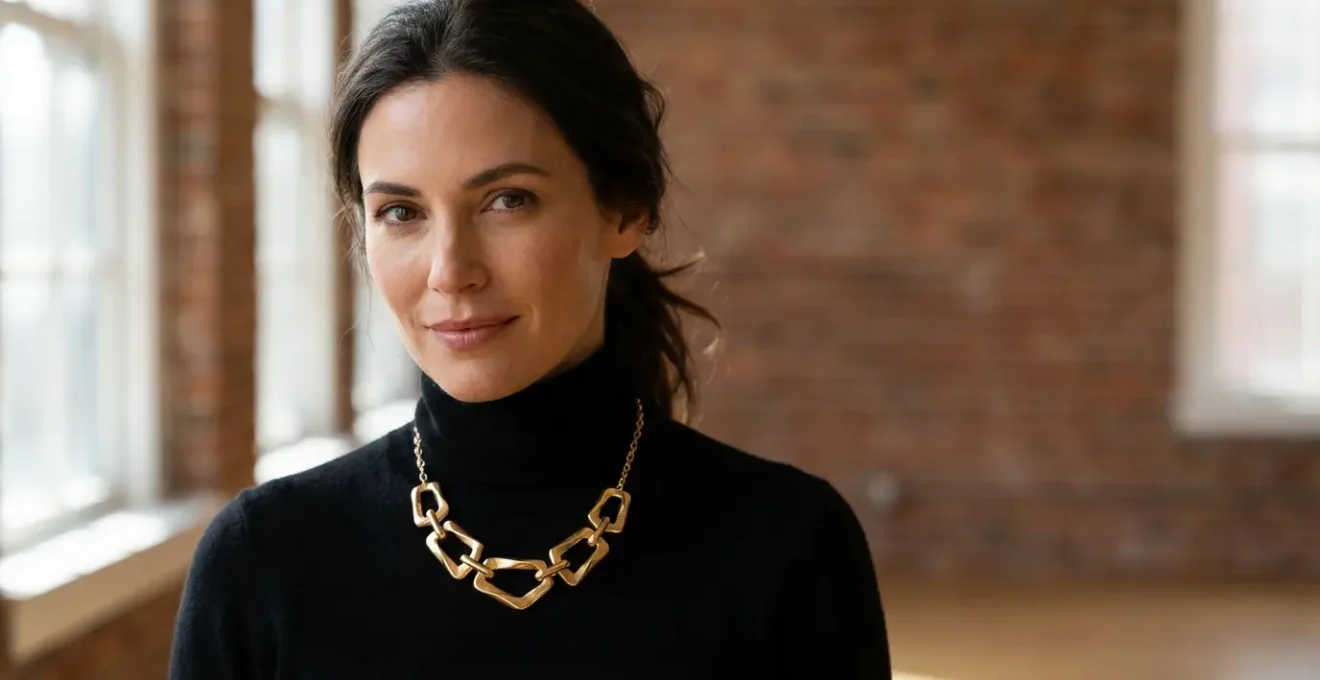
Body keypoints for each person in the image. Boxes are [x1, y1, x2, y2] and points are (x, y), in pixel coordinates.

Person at [168, 0, 890, 677]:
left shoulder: (791, 550)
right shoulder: (261, 562)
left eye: (506, 200)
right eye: (401, 212)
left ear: (625, 210)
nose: (452, 272)